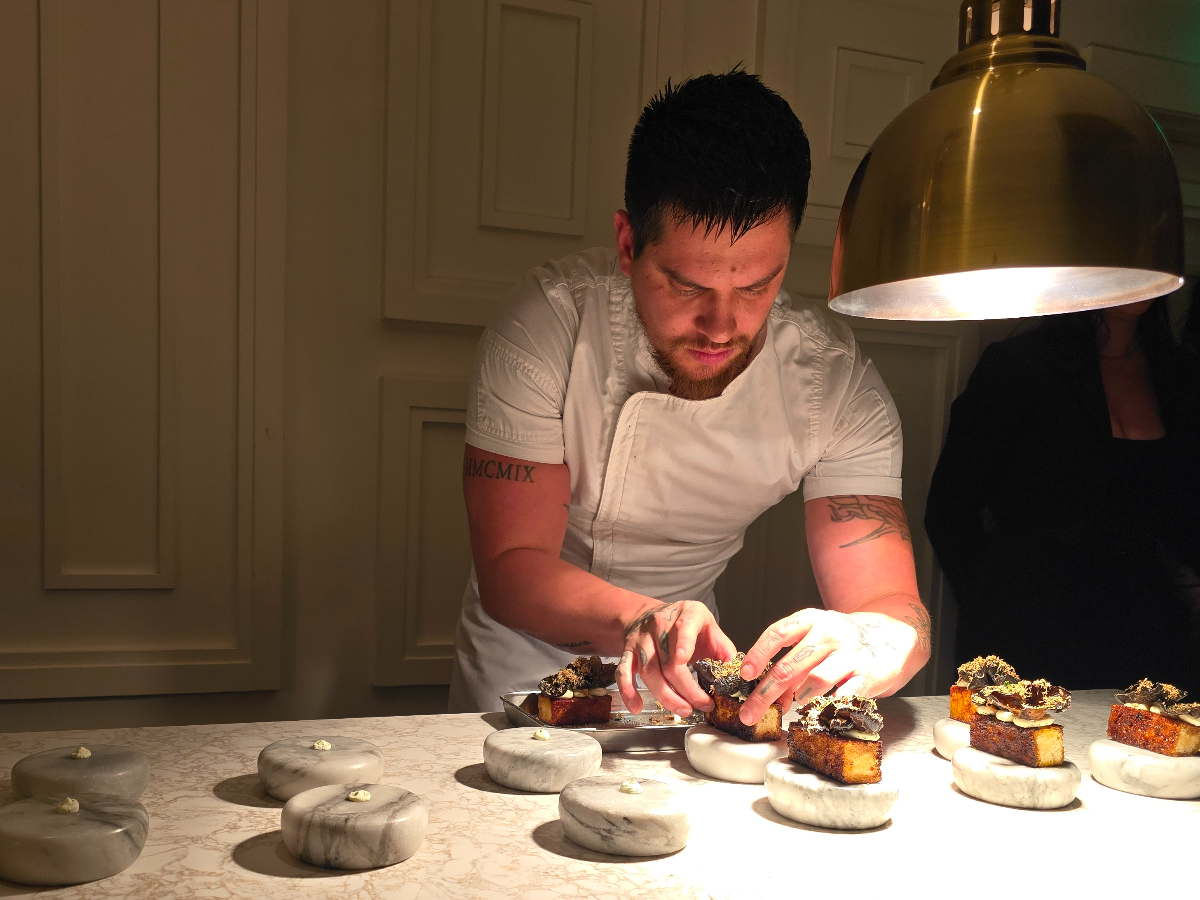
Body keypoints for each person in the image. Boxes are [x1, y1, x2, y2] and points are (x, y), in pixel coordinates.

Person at [449, 70, 930, 717]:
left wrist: (864, 639)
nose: (721, 326)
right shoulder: (548, 326)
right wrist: (645, 616)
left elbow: (896, 611)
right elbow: (511, 565)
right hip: (523, 658)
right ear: (628, 245)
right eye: (687, 286)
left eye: (757, 286)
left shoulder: (833, 386)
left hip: (686, 675)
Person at [926, 297, 1200, 690]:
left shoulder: (1181, 375)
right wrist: (992, 604)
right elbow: (949, 508)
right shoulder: (1020, 365)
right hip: (1027, 625)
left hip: (1149, 624)